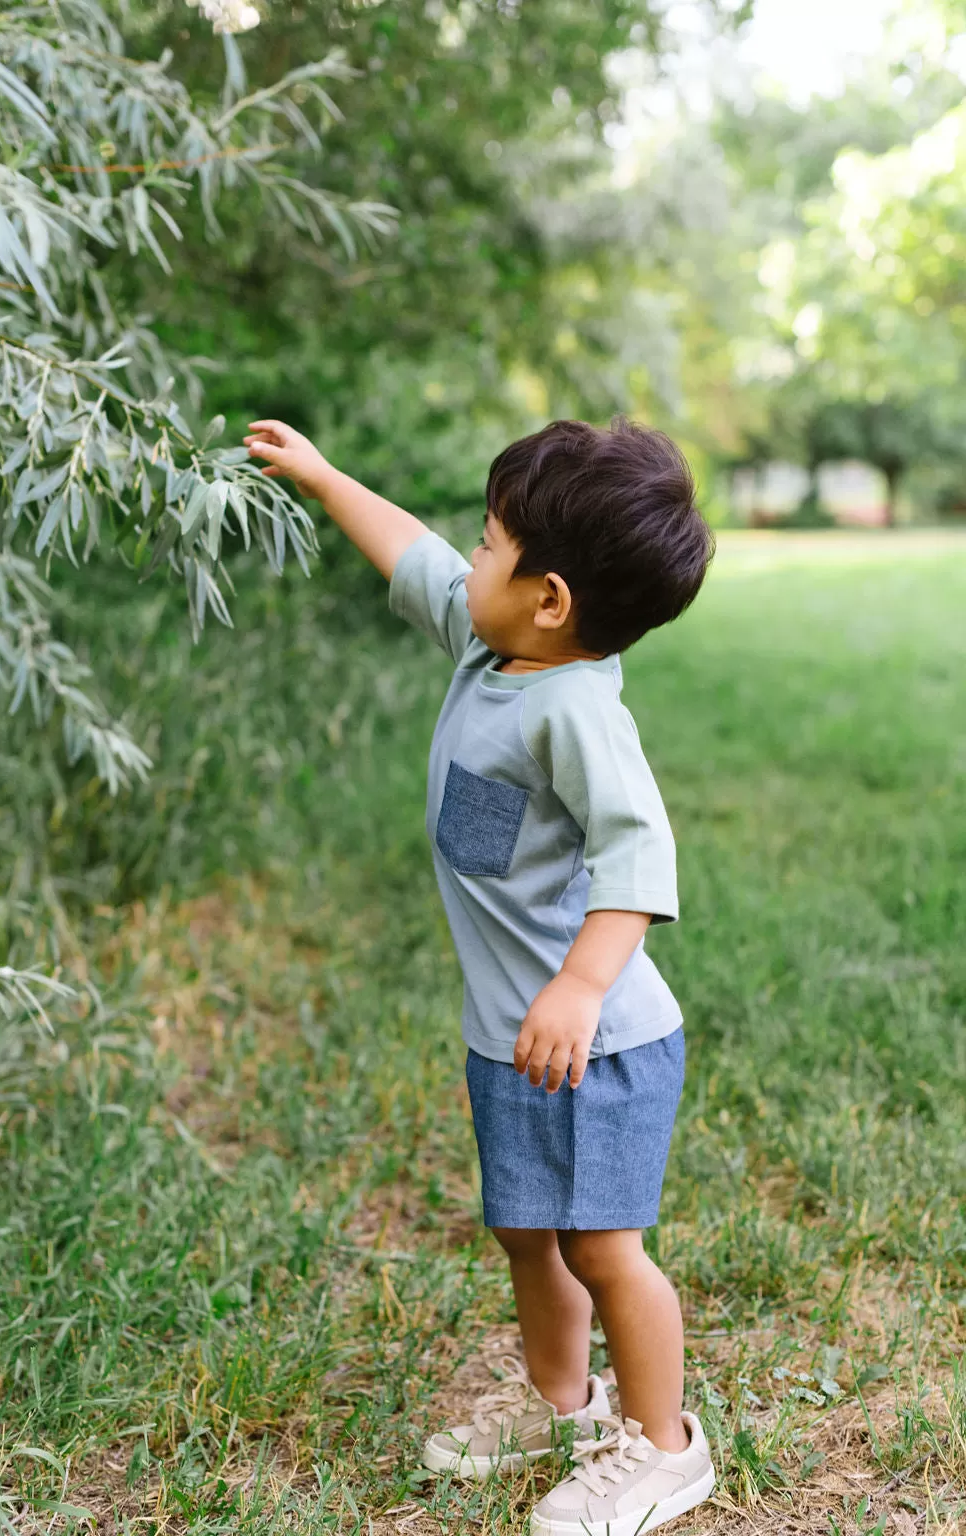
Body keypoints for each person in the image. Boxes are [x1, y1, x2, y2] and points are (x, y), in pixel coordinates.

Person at [244, 415, 717, 1536]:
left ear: (550, 598)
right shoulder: (491, 641)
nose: (472, 559)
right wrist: (323, 475)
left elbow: (637, 861)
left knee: (604, 1249)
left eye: (492, 544)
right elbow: (410, 554)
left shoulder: (573, 710)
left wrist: (578, 986)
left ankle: (661, 1449)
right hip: (512, 1036)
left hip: (599, 1044)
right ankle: (558, 1403)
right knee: (524, 1231)